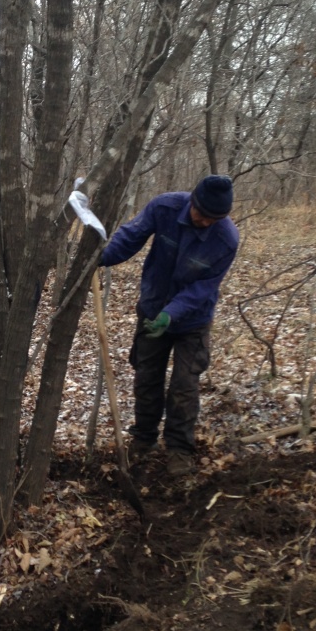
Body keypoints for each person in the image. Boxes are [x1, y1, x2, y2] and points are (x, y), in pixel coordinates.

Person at [98, 175, 239, 477]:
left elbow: (204, 288)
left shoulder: (226, 239)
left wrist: (171, 315)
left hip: (192, 320)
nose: (203, 222)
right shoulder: (164, 207)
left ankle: (179, 449)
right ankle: (144, 439)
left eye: (212, 219)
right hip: (152, 308)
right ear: (192, 201)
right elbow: (131, 236)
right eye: (200, 213)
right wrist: (100, 257)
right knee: (147, 378)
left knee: (184, 387)